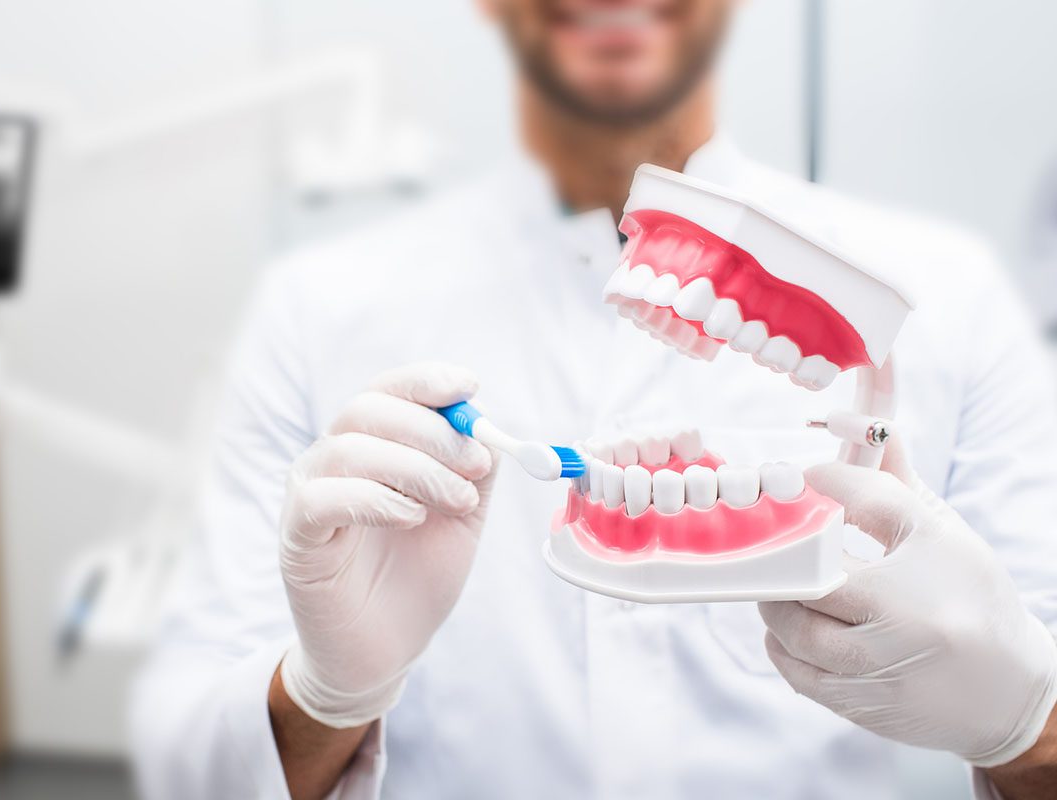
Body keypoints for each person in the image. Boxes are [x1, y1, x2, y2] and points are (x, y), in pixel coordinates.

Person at [131, 1, 1057, 798]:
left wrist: (1024, 718)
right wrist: (326, 693)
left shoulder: (952, 299)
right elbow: (181, 755)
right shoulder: (318, 312)